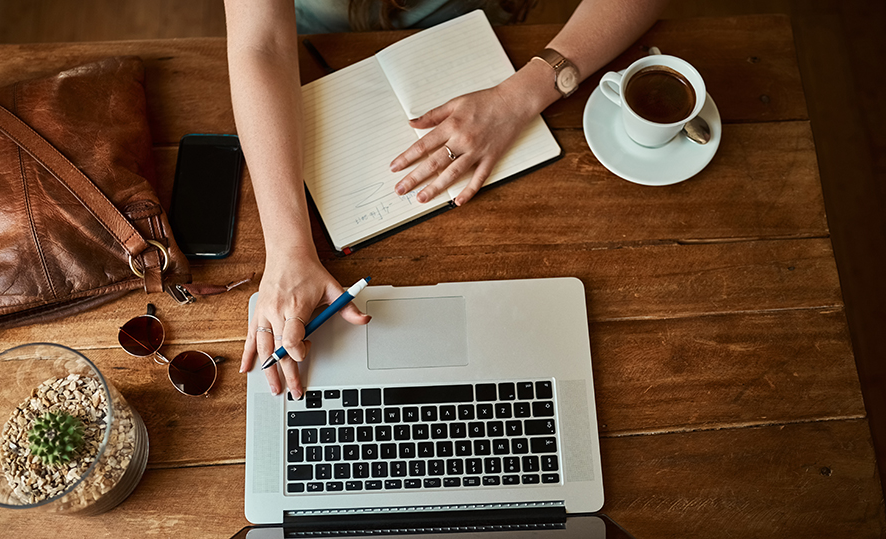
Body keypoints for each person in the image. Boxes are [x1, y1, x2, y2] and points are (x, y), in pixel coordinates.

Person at [225, 0, 668, 398]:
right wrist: (287, 250)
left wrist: (520, 95)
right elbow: (260, 44)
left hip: (489, 36)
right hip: (314, 35)